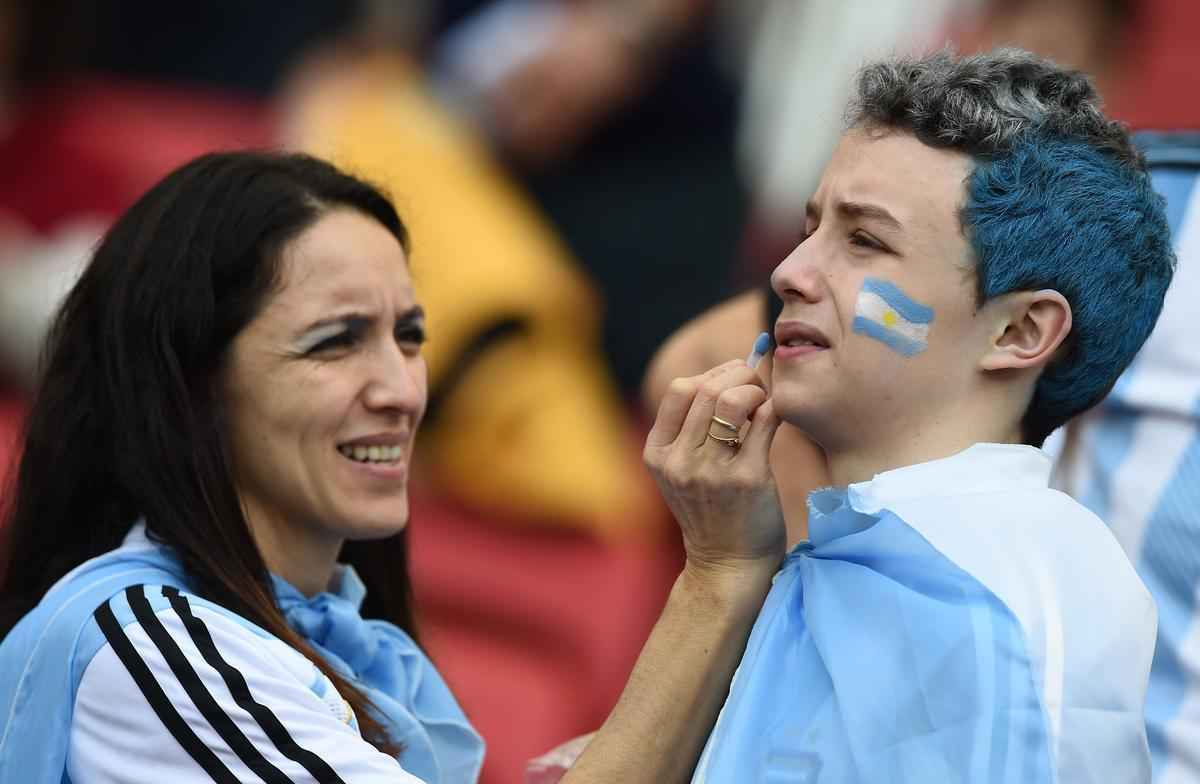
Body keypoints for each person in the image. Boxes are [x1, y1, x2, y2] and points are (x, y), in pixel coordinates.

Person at [0, 151, 787, 783]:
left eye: (408, 337)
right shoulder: (147, 647)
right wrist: (719, 576)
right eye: (336, 341)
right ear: (193, 387)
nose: (402, 389)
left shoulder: (336, 637)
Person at [677, 49, 1173, 782]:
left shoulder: (988, 594)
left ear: (1020, 333)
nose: (788, 273)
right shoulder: (887, 545)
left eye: (865, 240)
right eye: (810, 228)